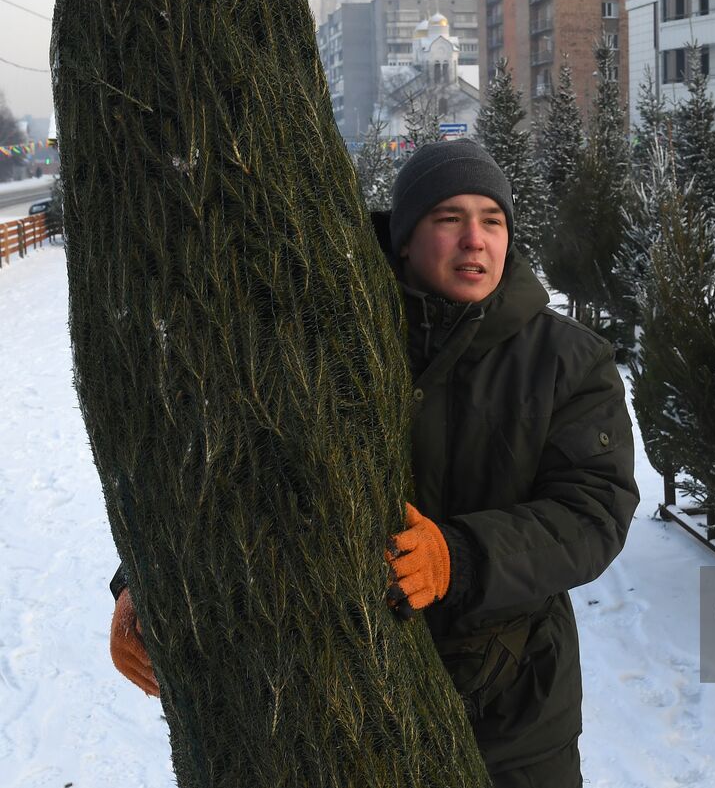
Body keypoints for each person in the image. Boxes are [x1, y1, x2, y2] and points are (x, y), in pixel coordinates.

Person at [109, 139, 639, 787]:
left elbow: (592, 512)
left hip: (513, 718)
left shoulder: (568, 361)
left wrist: (461, 553)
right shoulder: (329, 340)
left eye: (492, 220)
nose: (475, 238)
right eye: (449, 218)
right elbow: (230, 467)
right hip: (346, 708)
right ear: (406, 240)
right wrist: (144, 579)